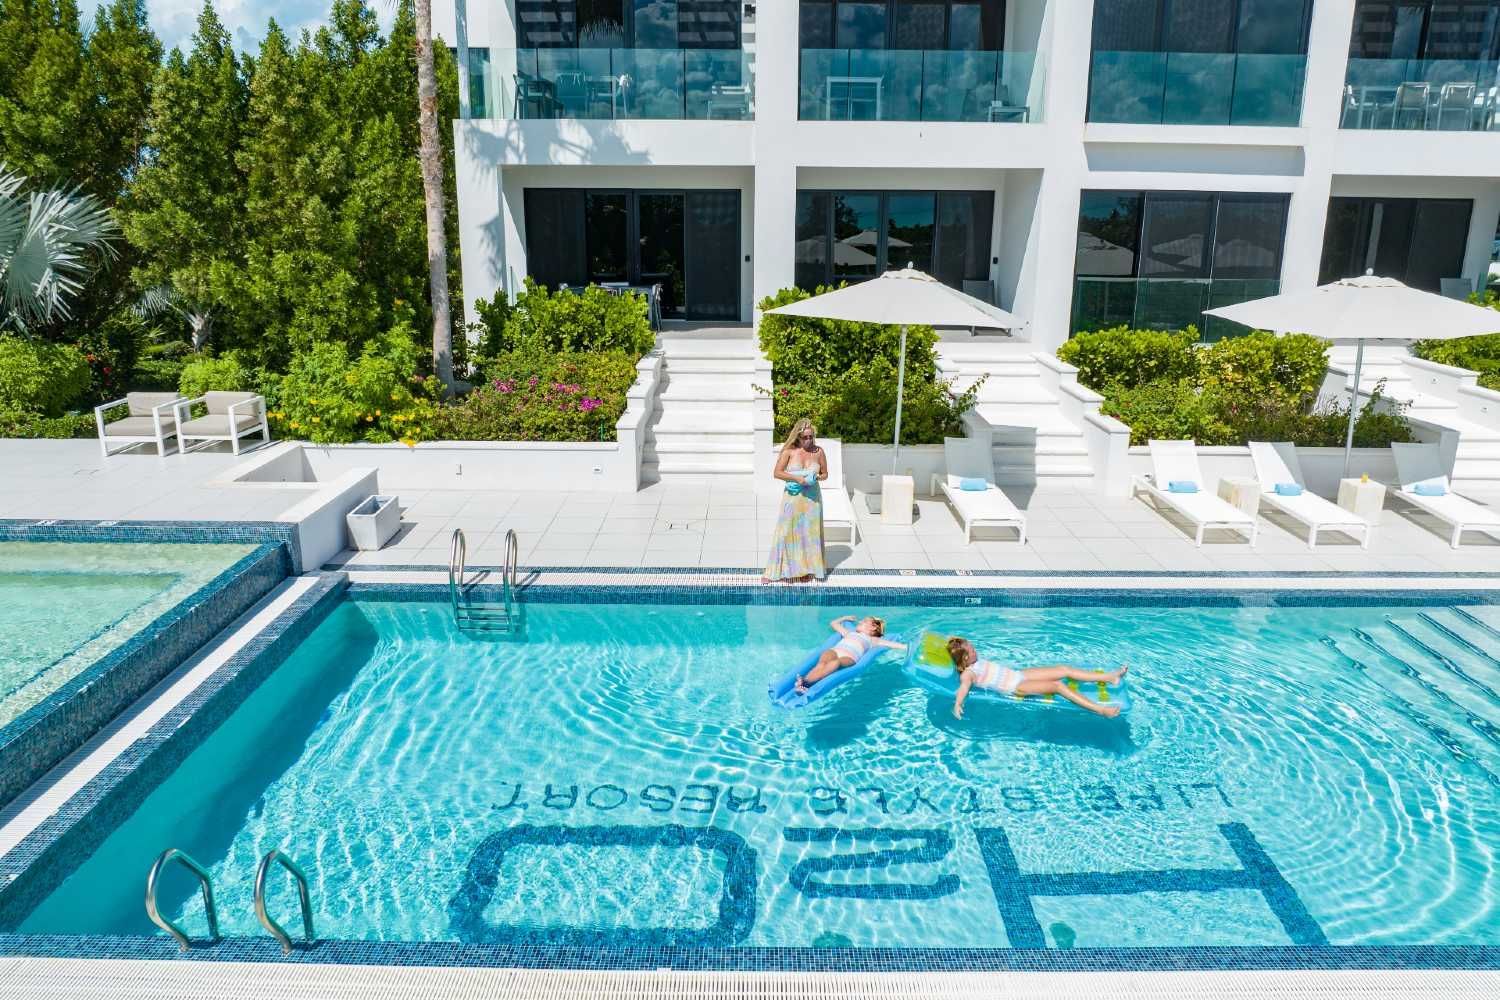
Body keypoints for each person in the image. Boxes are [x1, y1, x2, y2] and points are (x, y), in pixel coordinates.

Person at [946, 637, 1127, 720]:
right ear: (965, 659)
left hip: (1019, 674)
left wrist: (951, 643)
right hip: (1018, 685)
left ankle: (1109, 677)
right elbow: (963, 688)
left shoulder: (970, 658)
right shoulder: (968, 674)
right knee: (1057, 686)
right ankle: (1100, 710)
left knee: (1063, 669)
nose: (975, 649)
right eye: (971, 650)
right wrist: (957, 704)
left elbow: (951, 643)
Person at [762, 418, 827, 584]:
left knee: (808, 534)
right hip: (792, 499)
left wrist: (815, 477)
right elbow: (777, 473)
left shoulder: (819, 452)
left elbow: (825, 474)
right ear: (798, 437)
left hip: (812, 499)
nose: (809, 440)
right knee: (785, 532)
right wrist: (797, 479)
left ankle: (806, 570)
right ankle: (772, 571)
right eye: (805, 437)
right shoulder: (789, 451)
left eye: (811, 437)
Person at [795, 615, 907, 694]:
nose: (860, 622)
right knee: (822, 663)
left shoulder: (873, 640)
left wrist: (909, 647)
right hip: (835, 650)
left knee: (836, 663)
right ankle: (803, 683)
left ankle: (807, 683)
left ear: (873, 627)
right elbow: (833, 623)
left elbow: (894, 645)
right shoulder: (849, 633)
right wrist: (845, 618)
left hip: (849, 657)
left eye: (863, 622)